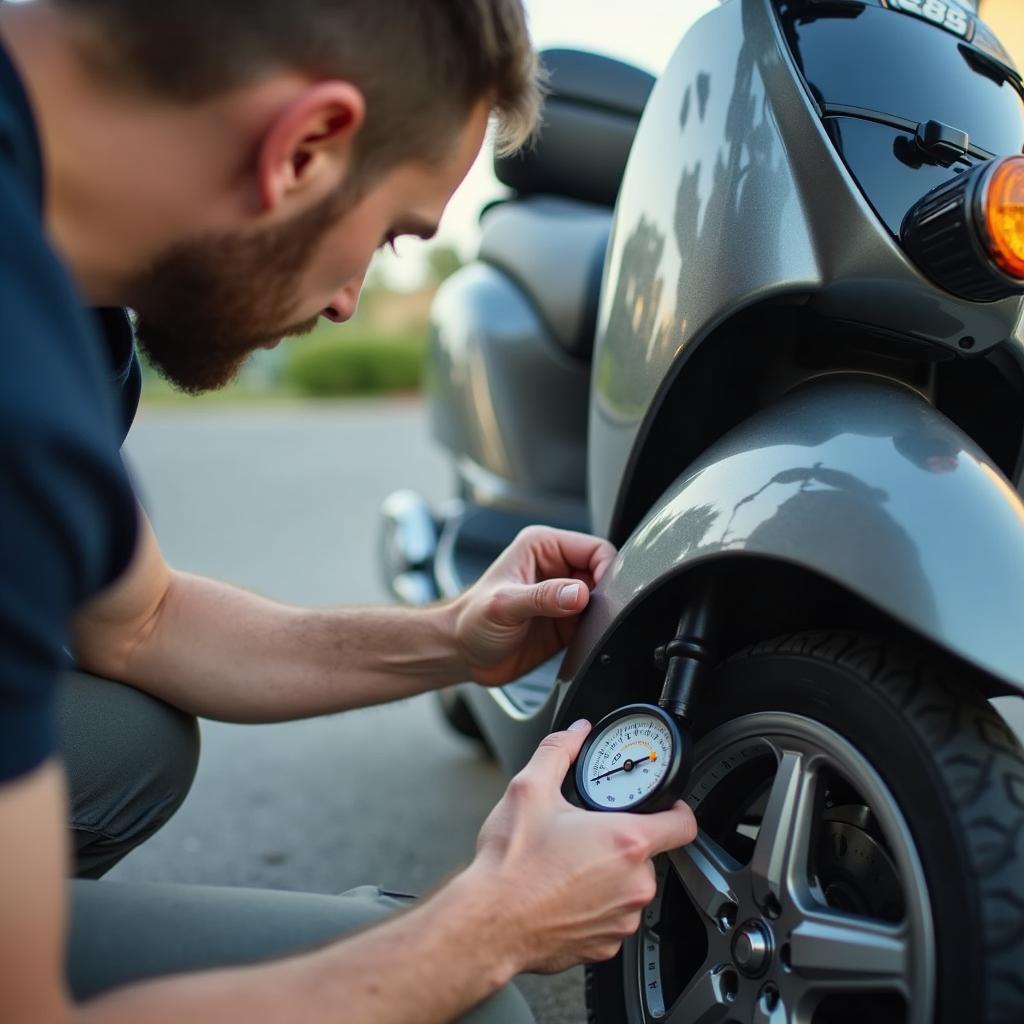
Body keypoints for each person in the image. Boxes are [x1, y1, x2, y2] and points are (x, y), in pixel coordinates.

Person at [0, 1, 698, 1021]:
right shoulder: (23, 386)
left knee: (125, 734)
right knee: (463, 1004)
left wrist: (456, 639)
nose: (344, 303)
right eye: (388, 235)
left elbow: (139, 622)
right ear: (307, 147)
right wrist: (490, 925)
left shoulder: (69, 292)